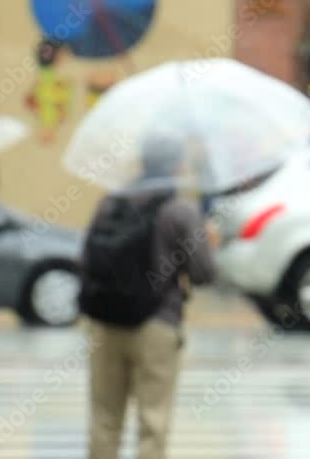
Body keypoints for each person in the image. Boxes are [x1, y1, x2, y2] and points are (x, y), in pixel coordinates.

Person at [79, 133, 219, 459]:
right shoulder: (180, 211)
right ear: (176, 165)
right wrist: (208, 244)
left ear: (142, 161)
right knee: (152, 423)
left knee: (104, 419)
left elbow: (87, 259)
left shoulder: (111, 202)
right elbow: (204, 275)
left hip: (104, 322)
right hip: (156, 326)